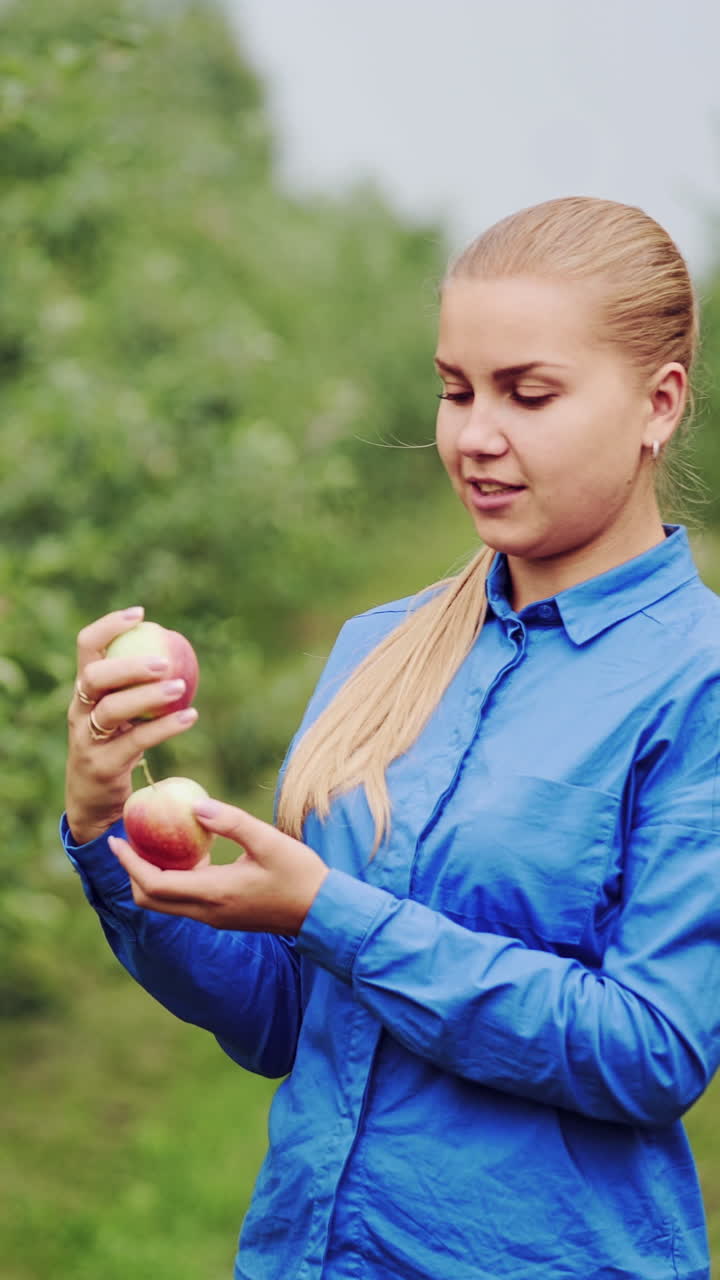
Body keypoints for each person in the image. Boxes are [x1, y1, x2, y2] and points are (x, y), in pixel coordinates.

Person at [64, 196, 720, 1280]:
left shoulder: (695, 681)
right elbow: (289, 1015)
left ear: (659, 402)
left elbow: (651, 1049)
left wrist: (334, 910)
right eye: (456, 389)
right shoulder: (384, 647)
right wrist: (106, 826)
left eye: (530, 392)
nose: (475, 434)